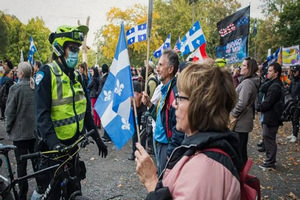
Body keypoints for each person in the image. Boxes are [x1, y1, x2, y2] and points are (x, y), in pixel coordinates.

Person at [135, 63, 242, 199]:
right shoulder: (203, 150)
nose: (174, 104)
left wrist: (151, 181)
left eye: (180, 98)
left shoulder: (205, 170)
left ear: (200, 106)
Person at [34, 25, 107, 199]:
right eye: (72, 49)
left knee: (74, 192)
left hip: (72, 150)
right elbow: (42, 115)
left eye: (78, 49)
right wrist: (54, 143)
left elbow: (86, 112)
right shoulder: (47, 74)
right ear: (59, 48)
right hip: (52, 151)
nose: (76, 53)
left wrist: (97, 138)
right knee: (51, 195)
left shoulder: (78, 77)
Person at [142, 49, 184, 175]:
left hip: (167, 147)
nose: (157, 68)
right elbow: (162, 117)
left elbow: (178, 128)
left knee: (166, 181)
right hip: (160, 144)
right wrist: (150, 104)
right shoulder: (164, 89)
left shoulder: (174, 93)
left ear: (171, 69)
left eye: (160, 65)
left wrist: (171, 153)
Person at [5, 62, 37, 200]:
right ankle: (42, 189)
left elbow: (10, 112)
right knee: (37, 163)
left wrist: (8, 127)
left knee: (21, 166)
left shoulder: (15, 88)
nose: (16, 72)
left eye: (18, 71)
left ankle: (23, 194)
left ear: (21, 73)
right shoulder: (35, 87)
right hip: (35, 133)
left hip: (20, 135)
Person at [230, 57, 260, 166]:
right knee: (241, 150)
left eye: (243, 65)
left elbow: (241, 103)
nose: (241, 67)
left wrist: (232, 114)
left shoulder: (247, 83)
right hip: (243, 120)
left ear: (249, 68)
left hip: (241, 121)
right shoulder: (249, 81)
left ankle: (241, 175)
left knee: (239, 151)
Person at [257, 62, 283, 170]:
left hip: (272, 117)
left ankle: (270, 162)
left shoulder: (275, 86)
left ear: (276, 73)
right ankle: (269, 159)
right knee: (267, 137)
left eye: (271, 71)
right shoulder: (271, 84)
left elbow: (268, 102)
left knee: (269, 138)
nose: (268, 72)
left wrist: (258, 107)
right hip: (270, 116)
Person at [128, 81, 147, 160]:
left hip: (140, 112)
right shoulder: (136, 95)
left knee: (140, 134)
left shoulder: (141, 96)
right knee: (137, 133)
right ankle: (136, 152)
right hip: (136, 112)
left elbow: (137, 104)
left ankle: (139, 152)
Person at [287, 64, 300, 143]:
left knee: (295, 119)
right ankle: (293, 133)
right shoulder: (293, 80)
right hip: (293, 102)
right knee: (293, 118)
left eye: (296, 71)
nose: (294, 73)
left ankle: (295, 135)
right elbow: (290, 89)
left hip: (298, 103)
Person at [98, 63, 111, 142]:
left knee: (105, 118)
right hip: (109, 100)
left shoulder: (103, 79)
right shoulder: (109, 78)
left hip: (104, 100)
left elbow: (100, 90)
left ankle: (106, 136)